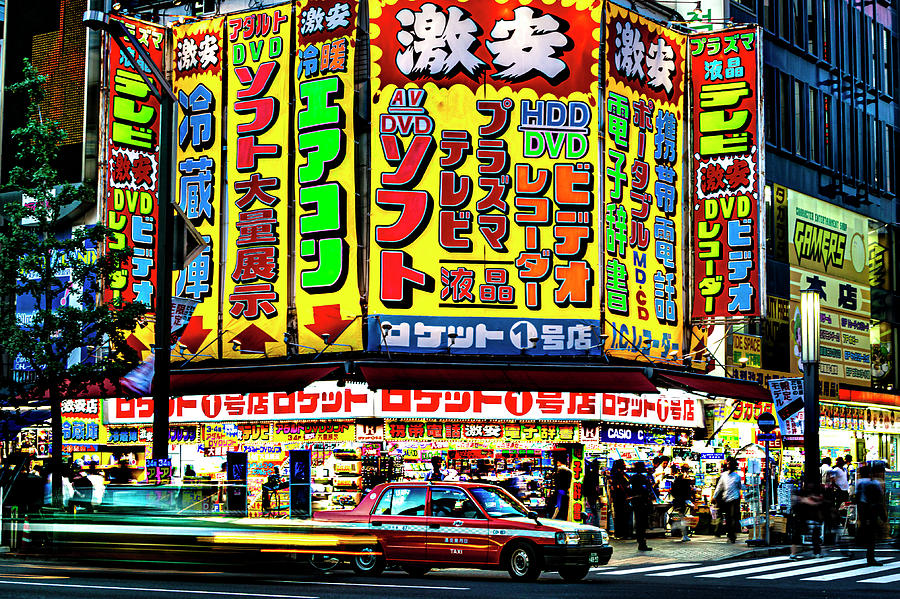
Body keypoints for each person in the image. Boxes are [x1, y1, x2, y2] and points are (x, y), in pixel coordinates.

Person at [855, 464, 887, 566]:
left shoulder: (859, 483)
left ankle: (870, 556)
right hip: (872, 511)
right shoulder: (875, 483)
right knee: (872, 535)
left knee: (868, 533)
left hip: (864, 511)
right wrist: (882, 514)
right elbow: (879, 499)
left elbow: (858, 499)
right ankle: (871, 557)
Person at [790, 482, 825, 559]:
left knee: (799, 535)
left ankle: (794, 553)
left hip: (804, 517)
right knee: (812, 534)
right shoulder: (803, 497)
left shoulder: (801, 496)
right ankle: (816, 552)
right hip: (803, 517)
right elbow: (812, 502)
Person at [713, 458, 742, 543]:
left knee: (733, 517)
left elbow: (740, 487)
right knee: (728, 518)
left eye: (730, 464)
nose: (728, 465)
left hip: (734, 499)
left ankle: (732, 536)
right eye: (728, 464)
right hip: (726, 498)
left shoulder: (737, 477)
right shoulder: (724, 475)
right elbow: (719, 486)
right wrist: (714, 496)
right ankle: (729, 535)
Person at [629, 461, 655, 551]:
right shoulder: (643, 478)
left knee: (638, 522)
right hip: (642, 502)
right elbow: (648, 488)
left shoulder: (632, 478)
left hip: (636, 502)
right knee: (642, 523)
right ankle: (642, 543)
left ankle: (640, 541)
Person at [670, 464, 694, 542]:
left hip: (680, 499)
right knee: (683, 516)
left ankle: (684, 533)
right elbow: (687, 490)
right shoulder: (684, 478)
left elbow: (673, 489)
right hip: (683, 499)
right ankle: (684, 534)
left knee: (682, 516)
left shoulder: (679, 477)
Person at [609, 459, 632, 539]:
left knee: (624, 516)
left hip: (624, 498)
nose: (625, 465)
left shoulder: (624, 475)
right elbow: (618, 487)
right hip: (620, 498)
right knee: (620, 516)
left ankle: (624, 533)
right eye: (624, 464)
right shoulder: (616, 475)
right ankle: (620, 533)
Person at [551, 452, 573, 520]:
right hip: (565, 490)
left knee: (558, 505)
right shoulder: (569, 471)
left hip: (560, 490)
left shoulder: (559, 470)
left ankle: (554, 518)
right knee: (563, 506)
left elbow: (556, 480)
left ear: (558, 462)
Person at [582, 458, 601, 526]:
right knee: (593, 510)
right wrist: (599, 496)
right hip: (592, 494)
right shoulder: (595, 474)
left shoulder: (588, 473)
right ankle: (595, 524)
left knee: (588, 509)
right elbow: (597, 487)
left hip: (586, 493)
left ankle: (588, 523)